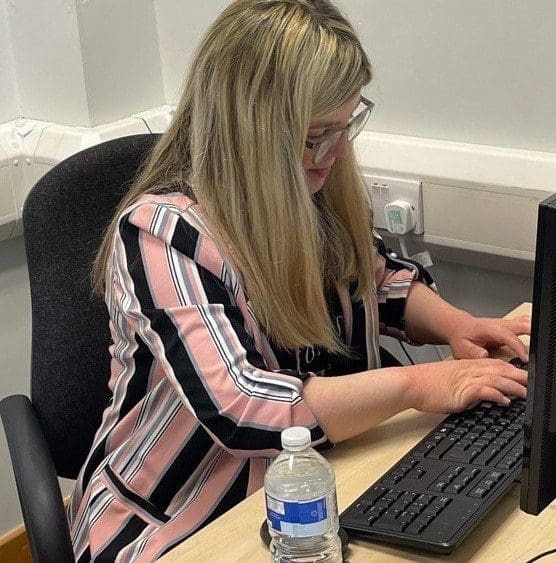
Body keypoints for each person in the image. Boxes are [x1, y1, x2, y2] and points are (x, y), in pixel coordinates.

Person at [68, 1, 530, 560]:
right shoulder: (163, 235)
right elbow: (241, 407)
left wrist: (460, 326)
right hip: (183, 516)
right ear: (249, 131)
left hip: (327, 477)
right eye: (314, 135)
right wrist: (420, 386)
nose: (332, 155)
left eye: (345, 127)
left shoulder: (311, 195)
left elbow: (377, 281)